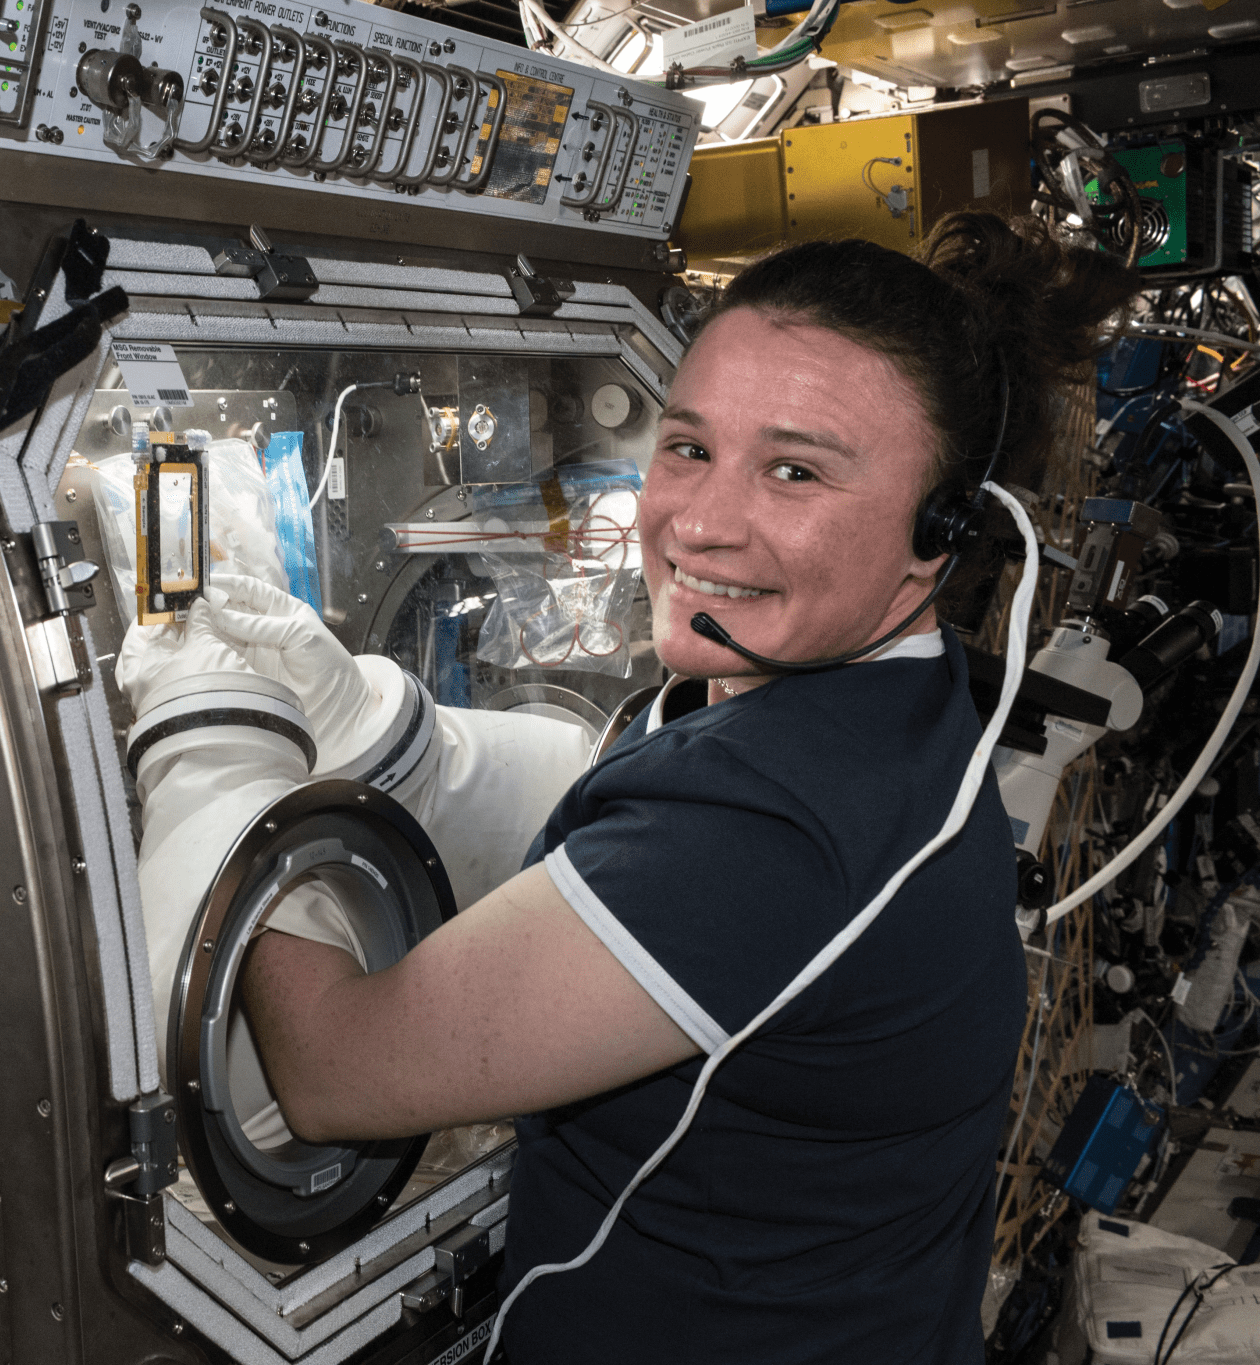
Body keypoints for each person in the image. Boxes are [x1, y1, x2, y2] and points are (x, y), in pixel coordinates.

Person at [203, 213, 1138, 1361]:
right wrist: (373, 723)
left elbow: (331, 1073)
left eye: (792, 471)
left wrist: (216, 755)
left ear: (936, 536)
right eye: (687, 446)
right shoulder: (879, 705)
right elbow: (606, 799)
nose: (695, 521)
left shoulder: (772, 824)